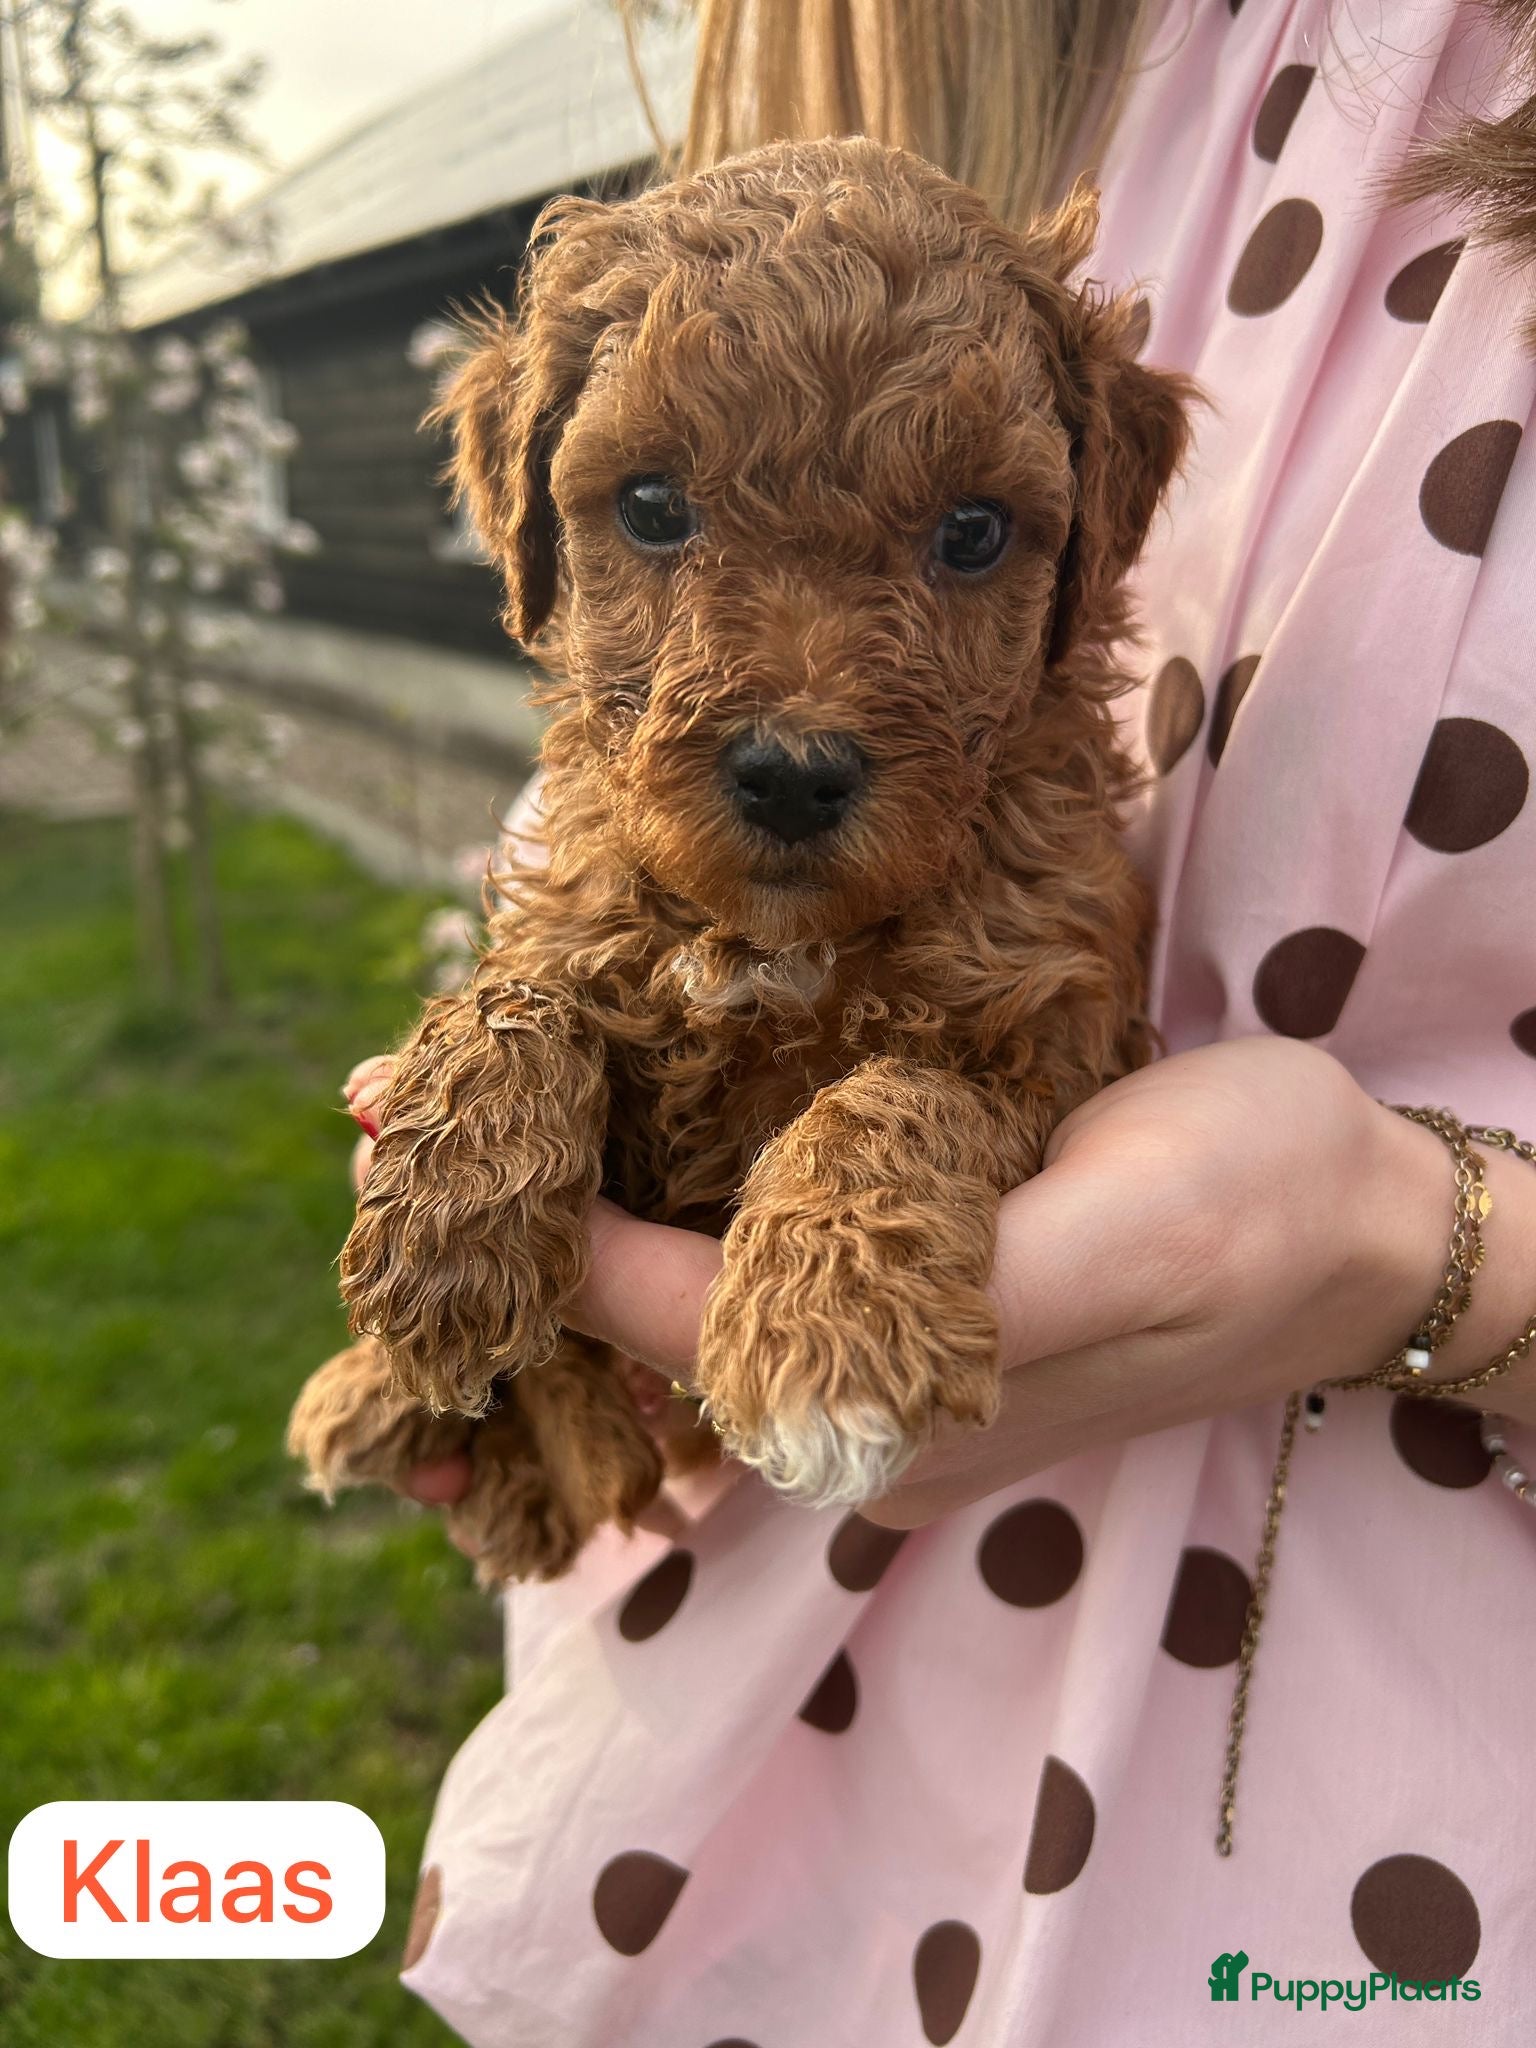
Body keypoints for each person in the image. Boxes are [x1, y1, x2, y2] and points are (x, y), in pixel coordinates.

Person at [346, 2, 1536, 2039]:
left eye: (969, 538)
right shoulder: (899, 31)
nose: (804, 711)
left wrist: (1401, 1249)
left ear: (1089, 543)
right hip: (741, 1723)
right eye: (656, 515)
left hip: (1371, 1781)